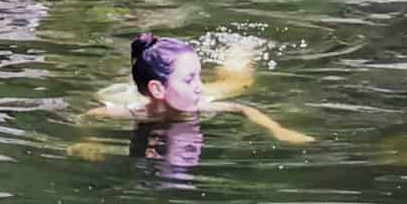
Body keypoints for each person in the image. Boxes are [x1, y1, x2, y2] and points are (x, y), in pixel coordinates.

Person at [85, 32, 314, 145]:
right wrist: (87, 142)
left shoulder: (199, 102)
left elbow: (244, 109)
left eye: (197, 76)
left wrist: (277, 129)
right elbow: (89, 117)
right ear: (156, 90)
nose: (198, 87)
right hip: (160, 93)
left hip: (200, 93)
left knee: (239, 82)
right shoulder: (133, 112)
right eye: (189, 80)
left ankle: (240, 50)